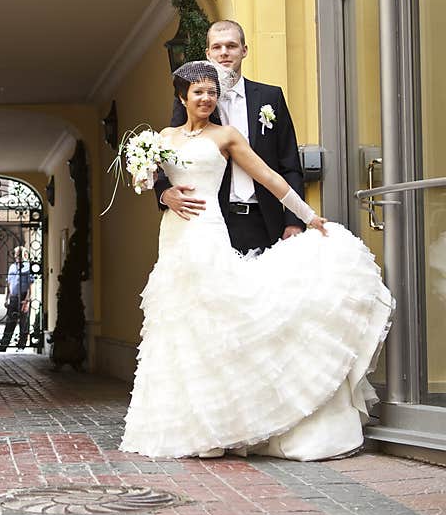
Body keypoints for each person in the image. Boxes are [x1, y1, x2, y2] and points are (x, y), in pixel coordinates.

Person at [120, 61, 394, 461]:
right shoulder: (162, 137)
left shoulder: (227, 135)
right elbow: (146, 180)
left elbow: (269, 176)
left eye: (212, 92)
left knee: (217, 320)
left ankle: (224, 424)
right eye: (198, 92)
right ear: (182, 96)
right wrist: (160, 191)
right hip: (174, 236)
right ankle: (192, 427)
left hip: (209, 231)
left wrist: (307, 215)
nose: (206, 98)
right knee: (179, 321)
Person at [154, 20, 306, 254]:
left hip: (265, 220)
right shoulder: (193, 100)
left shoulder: (270, 97)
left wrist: (295, 221)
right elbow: (170, 154)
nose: (224, 52)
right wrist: (164, 193)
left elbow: (289, 163)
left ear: (244, 50)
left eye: (231, 46)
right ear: (208, 53)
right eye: (217, 47)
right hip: (212, 220)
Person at [0, 245, 34, 352]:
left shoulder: (29, 267)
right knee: (10, 322)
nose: (17, 256)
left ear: (25, 255)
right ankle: (3, 346)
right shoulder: (12, 267)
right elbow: (8, 284)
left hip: (24, 297)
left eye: (20, 254)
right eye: (16, 254)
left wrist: (27, 301)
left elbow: (31, 285)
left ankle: (21, 346)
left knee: (24, 323)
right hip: (13, 298)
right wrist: (6, 298)